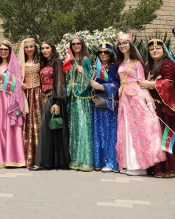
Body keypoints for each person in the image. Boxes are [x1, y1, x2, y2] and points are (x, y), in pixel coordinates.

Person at [116, 33, 165, 175]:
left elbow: (142, 84)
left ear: (130, 45)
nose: (122, 45)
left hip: (135, 97)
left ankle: (140, 165)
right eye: (120, 43)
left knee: (138, 129)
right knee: (126, 128)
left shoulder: (137, 63)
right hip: (124, 98)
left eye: (125, 43)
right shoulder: (120, 63)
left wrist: (149, 103)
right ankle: (128, 163)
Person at [143, 38, 175, 177]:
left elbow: (168, 83)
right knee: (155, 137)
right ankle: (157, 167)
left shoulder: (168, 64)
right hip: (153, 106)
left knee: (165, 135)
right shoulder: (149, 65)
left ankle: (169, 168)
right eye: (152, 49)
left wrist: (152, 84)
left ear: (163, 50)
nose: (155, 51)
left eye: (158, 48)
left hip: (165, 106)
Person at [34, 41, 69, 170]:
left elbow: (60, 83)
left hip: (53, 99)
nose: (44, 50)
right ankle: (50, 162)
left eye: (47, 48)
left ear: (52, 49)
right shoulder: (44, 63)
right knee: (50, 130)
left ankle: (42, 162)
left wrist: (58, 102)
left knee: (47, 129)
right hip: (44, 98)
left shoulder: (57, 63)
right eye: (42, 48)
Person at [90, 41, 119, 172]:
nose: (102, 54)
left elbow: (117, 85)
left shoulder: (114, 68)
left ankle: (111, 162)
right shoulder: (96, 67)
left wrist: (101, 86)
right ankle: (100, 161)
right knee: (99, 133)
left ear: (110, 54)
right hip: (97, 104)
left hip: (110, 105)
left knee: (109, 133)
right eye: (100, 52)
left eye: (105, 52)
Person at [67, 36, 93, 171]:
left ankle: (85, 160)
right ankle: (74, 160)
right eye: (73, 44)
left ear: (82, 45)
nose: (76, 45)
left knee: (83, 127)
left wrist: (83, 73)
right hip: (71, 98)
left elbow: (90, 81)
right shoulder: (70, 61)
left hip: (82, 98)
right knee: (73, 129)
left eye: (78, 43)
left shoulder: (86, 60)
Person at [19, 37, 41, 168]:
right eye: (26, 47)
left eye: (31, 46)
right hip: (26, 95)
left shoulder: (40, 61)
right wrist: (20, 85)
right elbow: (15, 79)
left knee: (38, 123)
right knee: (26, 124)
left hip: (38, 94)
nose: (29, 49)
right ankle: (25, 156)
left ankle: (39, 156)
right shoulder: (20, 63)